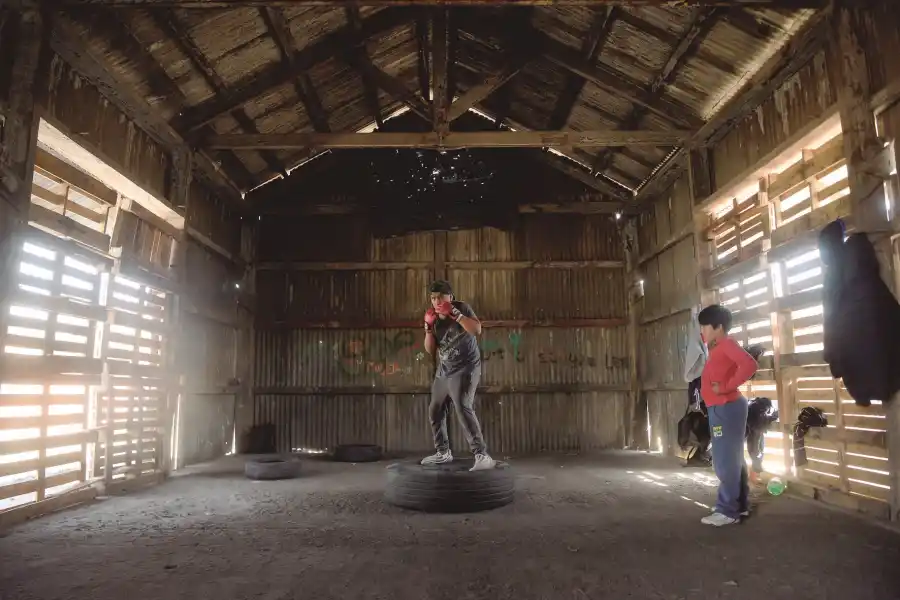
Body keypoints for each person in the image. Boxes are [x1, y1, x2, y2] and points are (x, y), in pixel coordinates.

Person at [420, 280, 496, 471]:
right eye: (433, 298)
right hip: (445, 370)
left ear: (450, 297)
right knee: (435, 409)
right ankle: (443, 453)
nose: (437, 301)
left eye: (441, 297)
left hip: (466, 367)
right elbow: (430, 350)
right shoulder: (433, 317)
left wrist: (456, 314)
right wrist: (428, 329)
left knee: (462, 405)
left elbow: (476, 330)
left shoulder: (462, 308)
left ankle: (482, 455)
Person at [697, 304, 758, 526]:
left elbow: (749, 364)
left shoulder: (726, 344)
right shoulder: (716, 348)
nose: (702, 330)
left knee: (725, 461)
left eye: (705, 326)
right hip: (723, 407)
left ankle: (727, 511)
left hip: (726, 407)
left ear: (718, 327)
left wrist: (725, 387)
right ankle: (738, 506)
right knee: (733, 459)